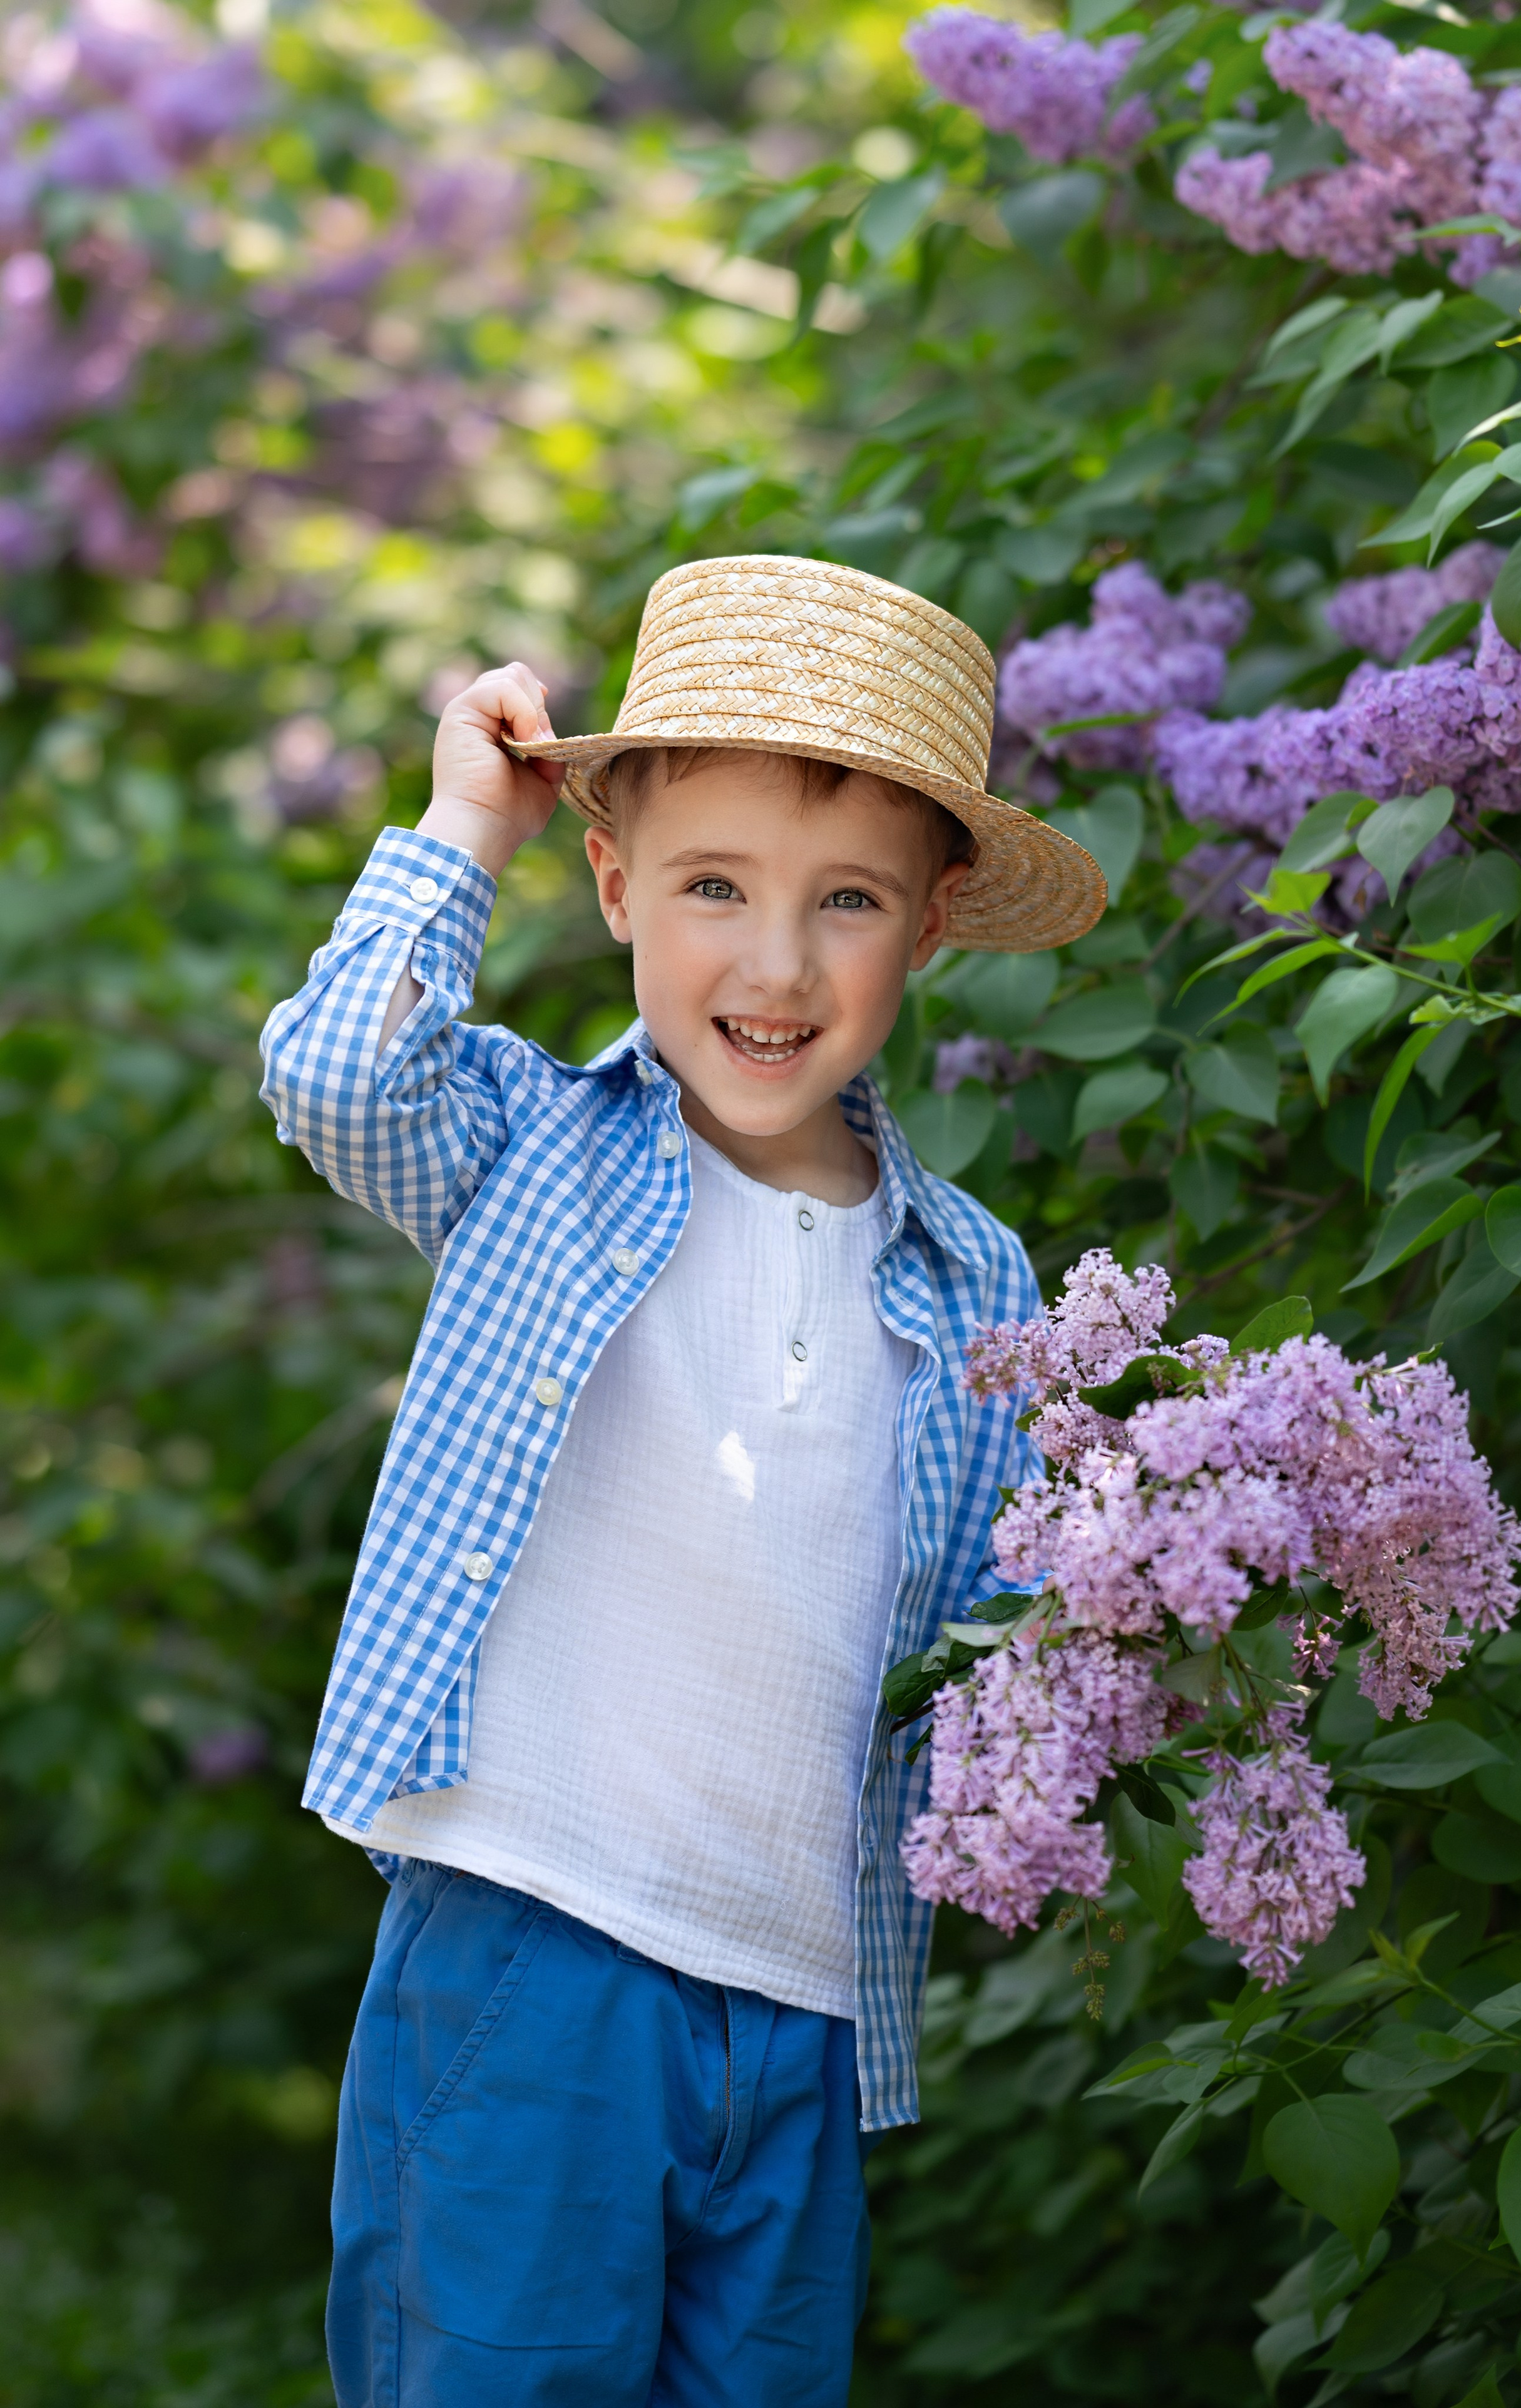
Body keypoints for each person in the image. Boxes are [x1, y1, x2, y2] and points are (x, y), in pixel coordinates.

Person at [259, 553, 1104, 2408]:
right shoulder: (530, 1151)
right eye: (714, 886)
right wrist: (456, 828)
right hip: (534, 1956)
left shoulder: (978, 1286)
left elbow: (1011, 1637)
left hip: (802, 2002)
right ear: (618, 883)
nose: (778, 966)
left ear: (933, 929)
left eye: (849, 903)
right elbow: (332, 1082)